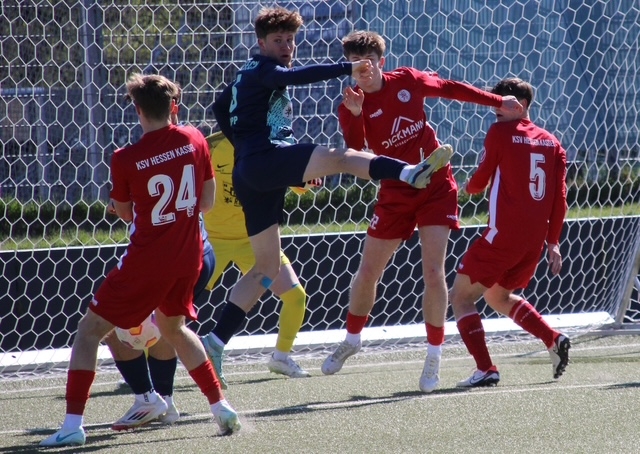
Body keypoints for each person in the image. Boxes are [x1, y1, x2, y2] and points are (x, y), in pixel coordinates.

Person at [204, 6, 453, 381]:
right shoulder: (264, 69)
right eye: (278, 40)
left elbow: (219, 106)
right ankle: (408, 171)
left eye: (290, 40)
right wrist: (346, 68)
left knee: (267, 267)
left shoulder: (245, 75)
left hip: (250, 174)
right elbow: (295, 77)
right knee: (342, 158)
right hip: (268, 158)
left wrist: (242, 143)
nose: (286, 46)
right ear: (260, 43)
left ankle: (216, 340)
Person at [40, 74, 240, 448]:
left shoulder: (125, 157)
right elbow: (207, 202)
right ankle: (219, 406)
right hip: (190, 256)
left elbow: (127, 213)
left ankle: (72, 425)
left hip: (147, 261)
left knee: (89, 331)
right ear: (172, 106)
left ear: (137, 109)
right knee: (174, 328)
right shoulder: (194, 138)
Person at [321, 30, 524, 394]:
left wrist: (497, 100)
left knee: (433, 272)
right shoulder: (351, 102)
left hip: (435, 185)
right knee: (367, 271)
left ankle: (433, 355)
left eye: (368, 63)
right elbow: (355, 153)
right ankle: (352, 339)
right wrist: (354, 115)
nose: (362, 71)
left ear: (381, 62)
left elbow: (450, 88)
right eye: (354, 65)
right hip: (396, 191)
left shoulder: (408, 81)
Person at [449, 77, 570, 388]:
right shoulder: (553, 143)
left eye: (503, 102)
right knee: (497, 295)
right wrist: (553, 242)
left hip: (503, 237)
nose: (496, 106)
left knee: (460, 297)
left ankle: (485, 368)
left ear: (522, 106)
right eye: (495, 101)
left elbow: (479, 182)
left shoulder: (500, 132)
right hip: (533, 242)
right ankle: (553, 338)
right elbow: (560, 199)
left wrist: (466, 187)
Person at [200, 131, 313, 388]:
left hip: (255, 239)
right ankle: (150, 361)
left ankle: (280, 358)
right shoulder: (210, 146)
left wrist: (308, 178)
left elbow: (300, 182)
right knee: (179, 305)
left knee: (296, 297)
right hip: (212, 239)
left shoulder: (271, 146)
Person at [102, 216, 215, 430]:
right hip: (200, 251)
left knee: (106, 322)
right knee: (166, 323)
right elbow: (207, 203)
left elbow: (124, 210)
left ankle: (147, 399)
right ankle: (167, 402)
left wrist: (123, 205)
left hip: (160, 253)